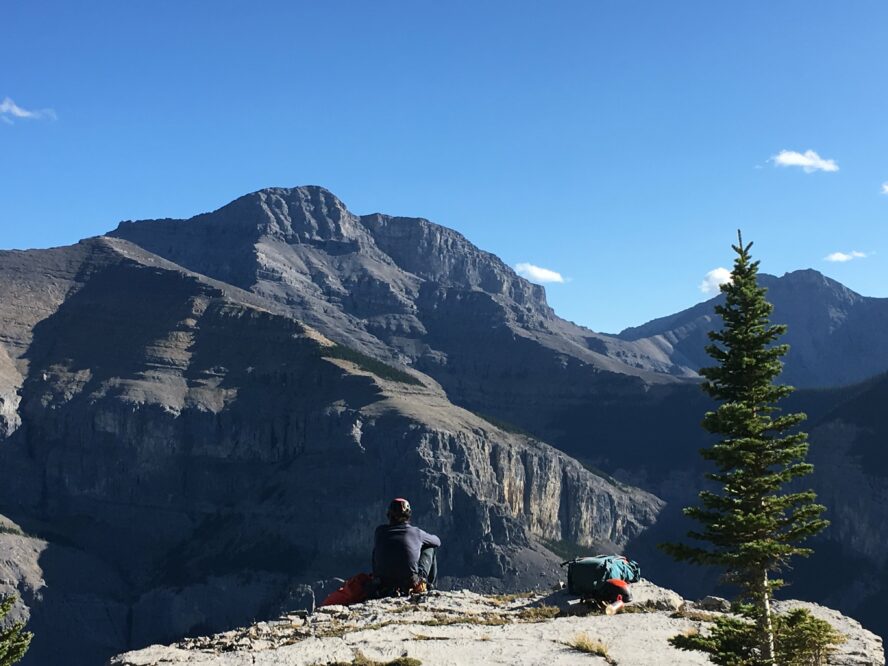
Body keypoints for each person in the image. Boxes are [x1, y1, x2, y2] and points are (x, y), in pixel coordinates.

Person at [372, 497, 441, 595]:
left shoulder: (379, 531)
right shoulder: (416, 532)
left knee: (378, 547)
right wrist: (420, 543)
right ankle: (429, 586)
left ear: (389, 515)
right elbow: (437, 542)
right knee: (430, 547)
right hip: (410, 583)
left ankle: (377, 578)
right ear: (408, 516)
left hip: (383, 583)